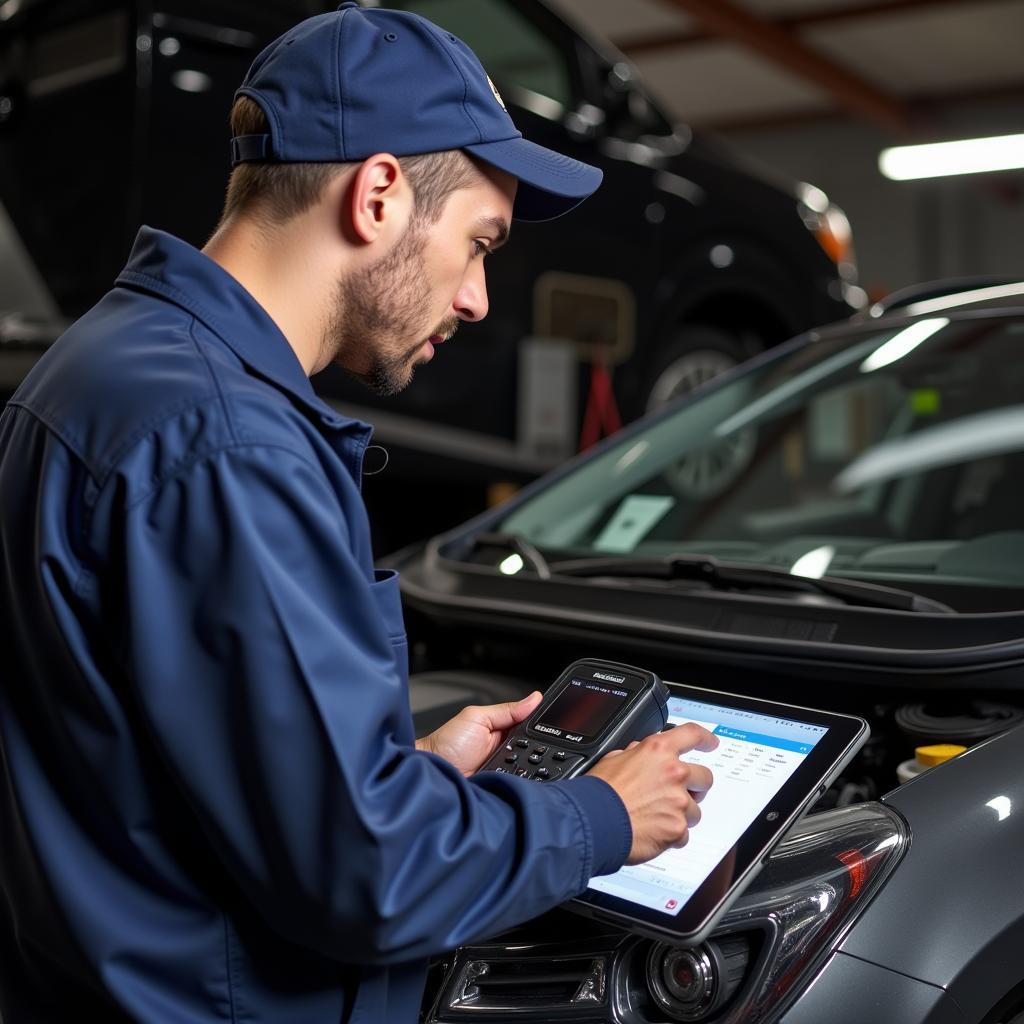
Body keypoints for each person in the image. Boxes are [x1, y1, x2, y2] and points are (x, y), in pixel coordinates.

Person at [0, 4, 717, 1021]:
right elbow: (365, 876)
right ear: (379, 194)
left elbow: (156, 762)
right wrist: (599, 814)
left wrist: (399, 773)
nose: (475, 298)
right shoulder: (222, 442)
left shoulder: (101, 369)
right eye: (478, 240)